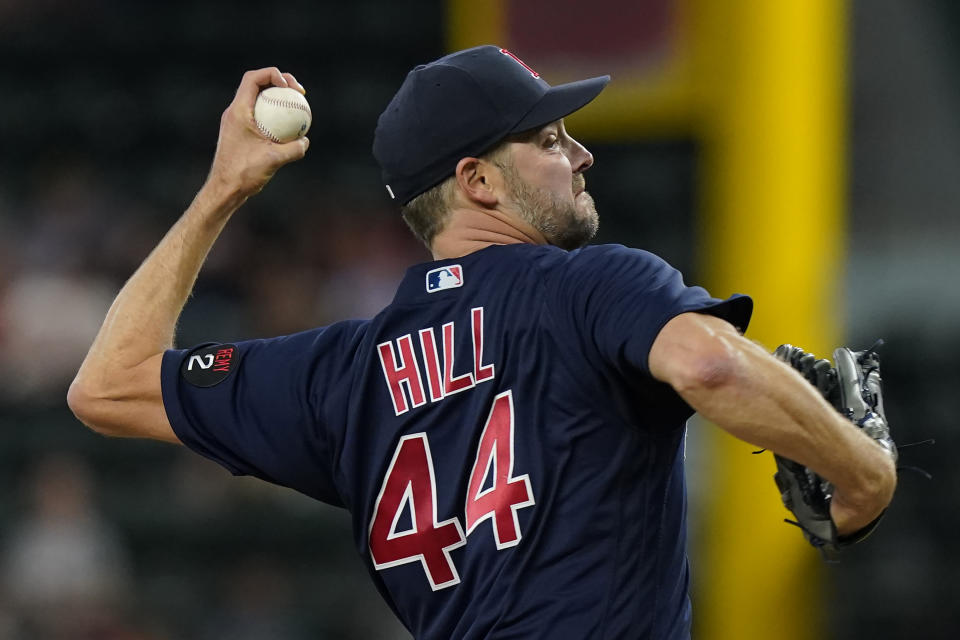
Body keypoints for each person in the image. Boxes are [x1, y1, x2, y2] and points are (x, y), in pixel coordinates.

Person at [68, 46, 897, 639]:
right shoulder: (591, 286)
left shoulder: (340, 374)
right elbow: (712, 363)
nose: (581, 153)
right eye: (547, 141)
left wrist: (221, 190)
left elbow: (106, 385)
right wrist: (863, 477)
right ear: (476, 181)